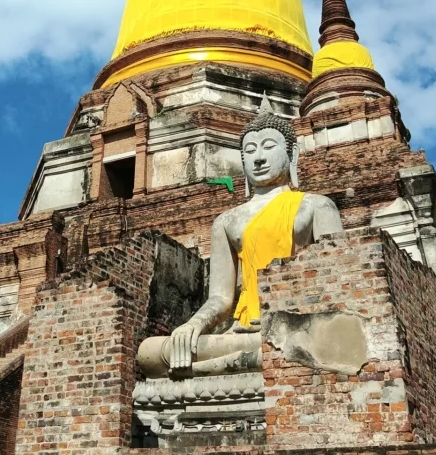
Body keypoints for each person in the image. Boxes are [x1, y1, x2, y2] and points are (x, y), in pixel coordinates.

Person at [137, 95, 343, 378]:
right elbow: (221, 298)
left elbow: (337, 280)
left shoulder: (316, 206)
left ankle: (243, 362)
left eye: (269, 147)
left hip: (301, 324)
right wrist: (192, 326)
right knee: (152, 352)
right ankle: (249, 360)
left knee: (323, 341)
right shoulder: (227, 220)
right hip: (245, 330)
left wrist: (304, 320)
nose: (258, 158)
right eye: (249, 151)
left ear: (292, 154)